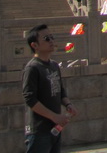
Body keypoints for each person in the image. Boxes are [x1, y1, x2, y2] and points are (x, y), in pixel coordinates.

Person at [22, 24, 77, 153]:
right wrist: (54, 116)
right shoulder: (32, 68)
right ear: (34, 45)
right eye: (46, 38)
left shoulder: (54, 66)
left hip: (55, 128)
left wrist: (68, 104)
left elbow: (60, 89)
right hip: (38, 130)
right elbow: (30, 99)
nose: (51, 41)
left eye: (52, 37)